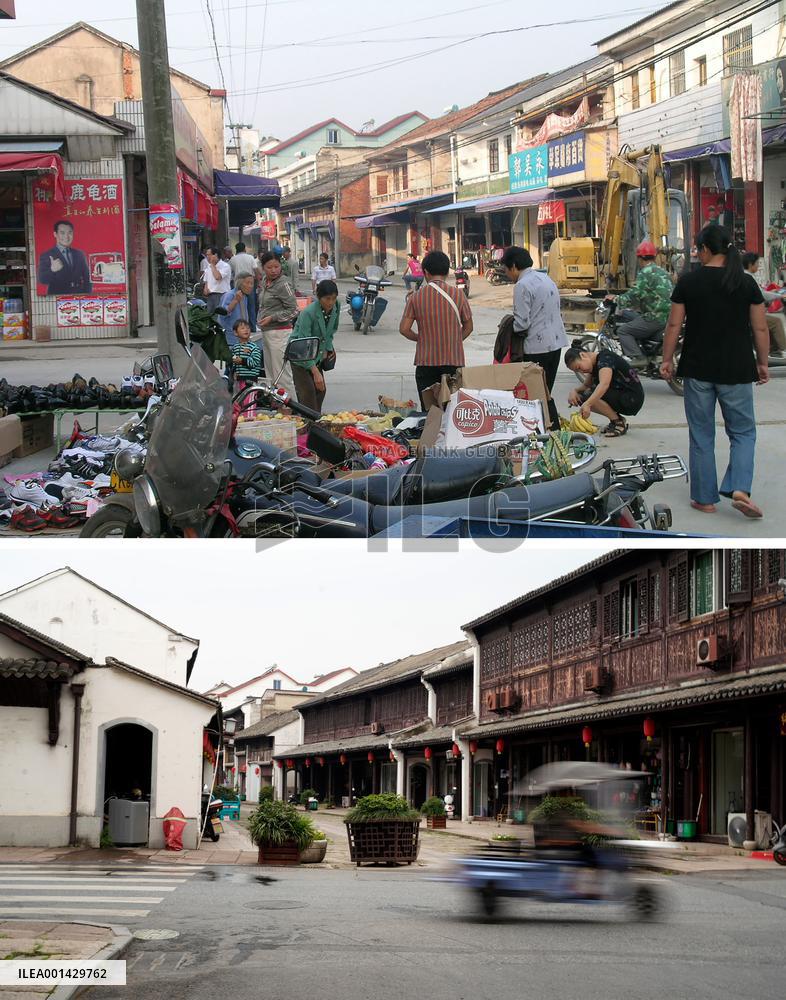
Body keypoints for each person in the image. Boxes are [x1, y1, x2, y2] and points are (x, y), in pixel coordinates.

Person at [660, 224, 770, 519]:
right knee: (744, 432)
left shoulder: (689, 281)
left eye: (698, 248)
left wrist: (667, 359)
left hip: (697, 369)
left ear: (706, 250)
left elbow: (674, 325)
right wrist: (762, 362)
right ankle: (740, 490)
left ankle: (704, 499)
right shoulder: (746, 284)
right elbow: (760, 327)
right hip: (736, 369)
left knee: (701, 434)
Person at [501, 245, 568, 429]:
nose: (507, 274)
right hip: (555, 344)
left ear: (514, 266)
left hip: (536, 348)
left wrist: (506, 328)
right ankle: (550, 431)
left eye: (506, 270)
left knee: (536, 395)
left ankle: (550, 431)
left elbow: (522, 324)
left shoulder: (522, 285)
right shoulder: (546, 278)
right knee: (546, 391)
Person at [399, 250, 473, 409]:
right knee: (452, 411)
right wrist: (454, 341)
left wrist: (421, 338)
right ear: (447, 272)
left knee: (431, 413)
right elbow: (468, 327)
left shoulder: (416, 297)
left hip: (426, 364)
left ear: (425, 272)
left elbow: (404, 329)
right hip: (453, 363)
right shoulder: (459, 295)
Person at [606, 241, 673, 362]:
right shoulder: (663, 272)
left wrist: (616, 299)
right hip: (669, 316)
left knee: (623, 331)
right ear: (654, 256)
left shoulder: (645, 273)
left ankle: (638, 358)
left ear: (640, 258)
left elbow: (634, 295)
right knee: (634, 317)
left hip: (654, 317)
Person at [564, 347, 644, 436]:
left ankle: (618, 422)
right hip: (620, 395)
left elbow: (604, 385)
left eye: (579, 367)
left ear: (583, 355)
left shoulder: (605, 359)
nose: (581, 371)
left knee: (588, 395)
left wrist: (588, 404)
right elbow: (586, 385)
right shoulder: (594, 364)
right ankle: (616, 419)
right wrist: (574, 391)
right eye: (577, 371)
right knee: (581, 396)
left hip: (631, 399)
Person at [288, 279, 339, 413]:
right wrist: (315, 371)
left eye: (333, 298)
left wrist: (328, 349)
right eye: (327, 299)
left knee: (320, 391)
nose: (330, 303)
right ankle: (309, 427)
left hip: (317, 353)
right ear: (319, 297)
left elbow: (331, 330)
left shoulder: (336, 307)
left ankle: (315, 423)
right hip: (300, 354)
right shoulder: (308, 313)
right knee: (308, 394)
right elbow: (304, 343)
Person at [257, 251, 297, 397]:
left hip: (280, 333)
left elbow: (293, 310)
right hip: (266, 332)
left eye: (276, 266)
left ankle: (291, 408)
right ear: (263, 268)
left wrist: (272, 318)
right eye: (269, 267)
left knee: (282, 375)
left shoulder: (283, 283)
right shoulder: (264, 282)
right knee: (271, 375)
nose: (273, 270)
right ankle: (276, 404)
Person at [742, 251, 786, 357]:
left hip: (749, 313)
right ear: (750, 264)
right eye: (757, 263)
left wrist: (774, 293)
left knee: (772, 321)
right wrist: (780, 296)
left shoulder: (745, 276)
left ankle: (774, 350)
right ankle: (783, 349)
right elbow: (762, 295)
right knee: (776, 321)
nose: (758, 266)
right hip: (751, 315)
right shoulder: (749, 278)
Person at [38, 220, 92, 294]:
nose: (66, 236)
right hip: (57, 296)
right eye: (62, 233)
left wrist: (87, 294)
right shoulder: (47, 255)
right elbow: (42, 280)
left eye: (69, 232)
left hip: (78, 295)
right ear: (55, 234)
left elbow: (87, 278)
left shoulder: (80, 254)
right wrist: (52, 270)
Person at [219, 274, 255, 346]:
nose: (250, 286)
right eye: (247, 283)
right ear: (239, 283)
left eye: (252, 283)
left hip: (242, 337)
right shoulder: (230, 295)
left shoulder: (244, 296)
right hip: (231, 337)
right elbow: (223, 314)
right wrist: (235, 301)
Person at [230, 319, 263, 398]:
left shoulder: (254, 347)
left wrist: (242, 361)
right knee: (240, 399)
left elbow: (255, 362)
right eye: (242, 328)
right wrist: (234, 370)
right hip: (239, 379)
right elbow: (234, 361)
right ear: (235, 333)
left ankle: (250, 411)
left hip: (251, 379)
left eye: (248, 328)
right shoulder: (235, 347)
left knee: (250, 399)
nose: (246, 330)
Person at [202, 246, 231, 312]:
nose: (207, 257)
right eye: (206, 255)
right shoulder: (208, 267)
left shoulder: (225, 266)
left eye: (209, 255)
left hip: (221, 295)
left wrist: (212, 265)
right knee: (210, 316)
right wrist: (205, 289)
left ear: (215, 255)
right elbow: (206, 280)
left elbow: (217, 277)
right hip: (210, 295)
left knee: (220, 317)